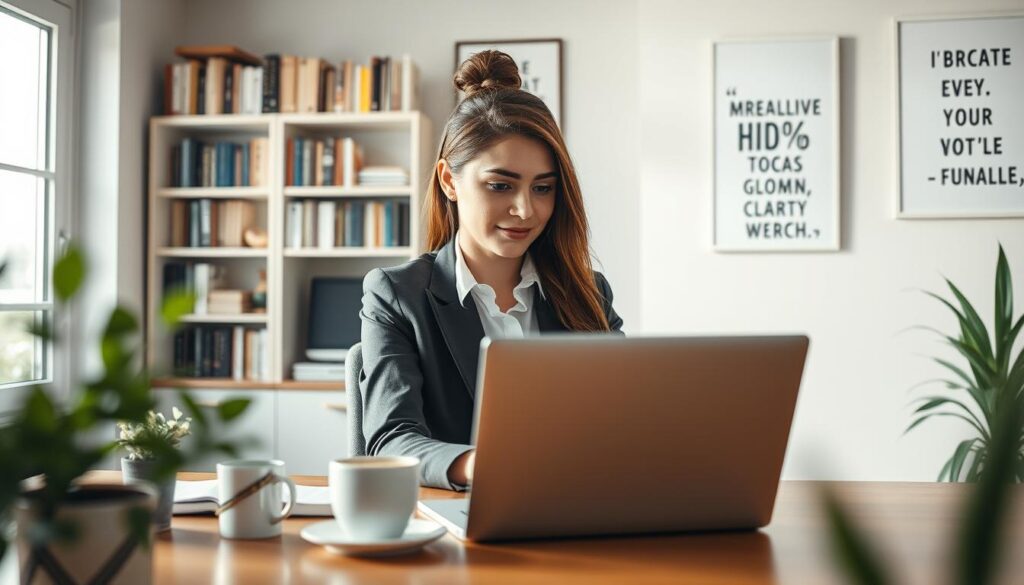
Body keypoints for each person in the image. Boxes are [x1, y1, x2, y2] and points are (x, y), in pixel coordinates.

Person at [359, 50, 624, 491]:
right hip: (461, 524)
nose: (525, 210)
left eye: (543, 188)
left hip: (578, 511)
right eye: (500, 185)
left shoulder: (588, 293)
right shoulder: (397, 295)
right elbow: (391, 439)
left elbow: (625, 416)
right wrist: (482, 465)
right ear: (449, 181)